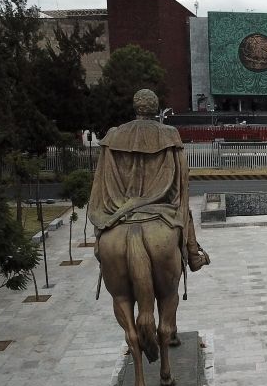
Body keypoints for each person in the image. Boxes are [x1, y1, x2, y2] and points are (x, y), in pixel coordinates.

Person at [88, 88, 210, 273]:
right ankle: (194, 257)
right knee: (186, 213)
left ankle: (100, 246)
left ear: (135, 106)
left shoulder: (113, 135)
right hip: (160, 208)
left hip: (118, 208)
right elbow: (181, 177)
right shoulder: (168, 134)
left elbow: (101, 179)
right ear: (155, 108)